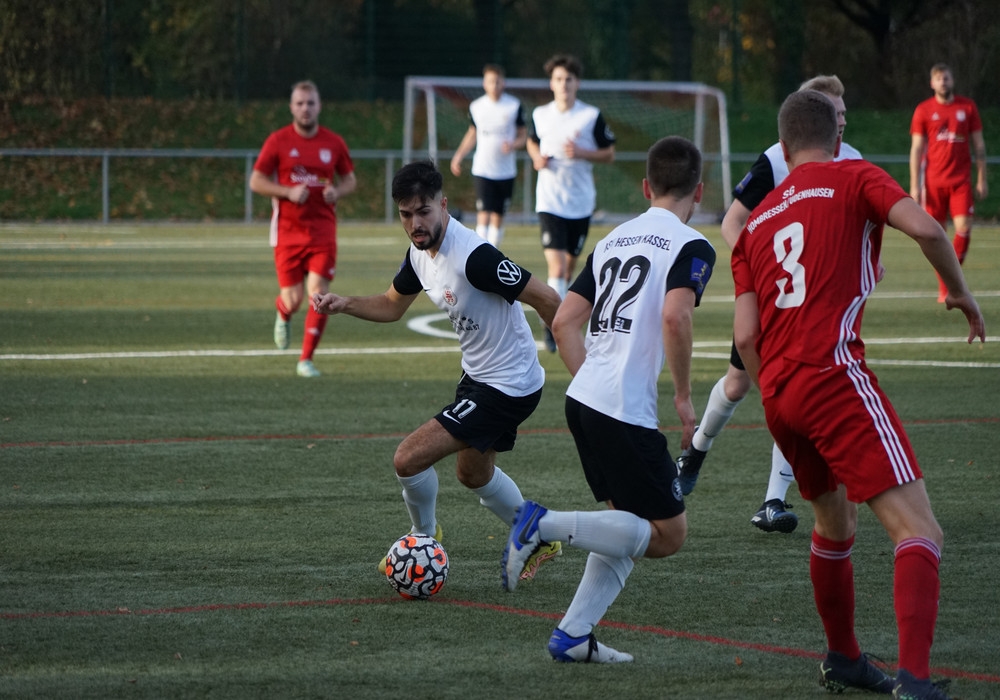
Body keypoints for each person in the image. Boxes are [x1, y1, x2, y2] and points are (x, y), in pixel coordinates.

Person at [732, 90, 985, 698]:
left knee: (835, 521)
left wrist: (776, 395)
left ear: (783, 147)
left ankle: (843, 657)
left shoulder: (756, 223)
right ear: (837, 138)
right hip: (833, 375)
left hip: (780, 392)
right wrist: (958, 290)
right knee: (920, 530)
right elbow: (928, 229)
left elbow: (744, 335)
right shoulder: (854, 175)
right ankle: (915, 680)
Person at [502, 136, 716, 664]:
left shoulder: (614, 238)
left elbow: (563, 322)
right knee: (669, 535)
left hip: (586, 400)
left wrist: (593, 382)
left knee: (627, 525)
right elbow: (675, 317)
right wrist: (684, 398)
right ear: (699, 191)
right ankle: (540, 525)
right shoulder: (692, 244)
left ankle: (573, 635)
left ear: (646, 187)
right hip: (620, 407)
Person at [311, 160, 563, 579]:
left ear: (443, 205)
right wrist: (345, 304)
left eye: (423, 211)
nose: (415, 223)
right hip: (478, 376)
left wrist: (580, 364)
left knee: (408, 459)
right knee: (473, 473)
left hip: (509, 384)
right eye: (406, 214)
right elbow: (391, 305)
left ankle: (422, 537)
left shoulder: (475, 258)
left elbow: (549, 299)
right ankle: (538, 535)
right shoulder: (419, 253)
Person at [677, 75, 864, 534]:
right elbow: (733, 222)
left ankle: (773, 501)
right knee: (738, 384)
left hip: (821, 303)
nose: (841, 121)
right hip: (774, 295)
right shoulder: (777, 159)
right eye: (833, 113)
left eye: (843, 113)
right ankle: (695, 452)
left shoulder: (854, 161)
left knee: (797, 386)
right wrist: (762, 268)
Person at [249, 80, 357, 378]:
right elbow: (256, 180)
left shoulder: (333, 143)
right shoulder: (278, 141)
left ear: (319, 106)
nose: (305, 108)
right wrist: (287, 192)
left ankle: (306, 359)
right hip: (287, 232)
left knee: (318, 294)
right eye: (299, 103)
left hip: (322, 232)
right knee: (293, 300)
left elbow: (350, 180)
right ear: (291, 107)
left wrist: (337, 191)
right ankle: (283, 311)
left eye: (310, 103)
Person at [527, 53, 616, 351]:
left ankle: (557, 316)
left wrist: (582, 153)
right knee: (557, 266)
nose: (563, 84)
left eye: (569, 79)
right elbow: (532, 141)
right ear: (551, 84)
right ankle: (554, 324)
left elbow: (609, 153)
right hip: (549, 200)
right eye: (558, 79)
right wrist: (536, 158)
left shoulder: (590, 116)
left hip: (579, 202)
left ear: (577, 83)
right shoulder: (540, 114)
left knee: (568, 271)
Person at [909, 63, 988, 303]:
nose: (943, 82)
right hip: (933, 183)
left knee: (963, 228)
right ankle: (950, 286)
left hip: (961, 181)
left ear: (952, 81)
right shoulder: (923, 110)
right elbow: (916, 149)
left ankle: (948, 286)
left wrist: (982, 177)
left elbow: (979, 145)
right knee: (936, 237)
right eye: (939, 79)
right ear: (932, 83)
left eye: (946, 78)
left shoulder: (967, 107)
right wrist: (914, 185)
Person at [449, 64, 527, 248]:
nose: (494, 85)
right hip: (483, 169)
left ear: (503, 82)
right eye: (491, 81)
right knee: (483, 212)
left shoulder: (513, 106)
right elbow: (472, 133)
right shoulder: (477, 106)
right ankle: (481, 251)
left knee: (498, 214)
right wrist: (458, 156)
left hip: (506, 171)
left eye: (498, 81)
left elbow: (523, 136)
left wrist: (514, 144)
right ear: (485, 83)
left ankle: (493, 252)